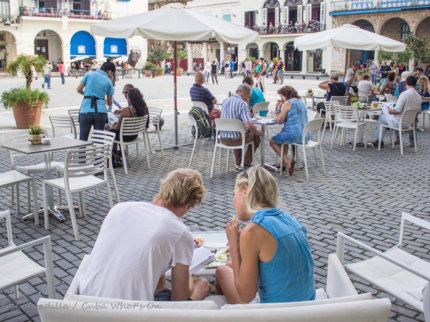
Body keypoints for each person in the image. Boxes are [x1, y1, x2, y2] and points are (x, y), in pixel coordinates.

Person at [79, 168, 211, 302]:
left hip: (84, 303)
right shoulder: (179, 231)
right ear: (187, 205)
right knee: (202, 284)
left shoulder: (119, 209)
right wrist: (189, 274)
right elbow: (180, 298)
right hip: (129, 312)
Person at [214, 167, 315, 304]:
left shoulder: (252, 231)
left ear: (245, 191)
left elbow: (246, 296)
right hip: (309, 309)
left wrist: (234, 245)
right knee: (229, 265)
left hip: (276, 314)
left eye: (234, 194)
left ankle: (229, 315)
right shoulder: (292, 220)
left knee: (222, 271)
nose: (233, 200)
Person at [220, 84, 263, 171]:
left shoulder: (225, 101)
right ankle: (246, 163)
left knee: (239, 133)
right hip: (237, 140)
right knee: (255, 136)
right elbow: (248, 125)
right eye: (249, 96)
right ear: (245, 93)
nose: (250, 98)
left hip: (223, 138)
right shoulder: (242, 104)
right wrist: (257, 131)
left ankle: (238, 164)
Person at [269, 86, 310, 175]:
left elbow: (279, 121)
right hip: (305, 135)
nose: (281, 98)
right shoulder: (301, 102)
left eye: (281, 96)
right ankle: (283, 163)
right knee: (283, 136)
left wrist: (279, 107)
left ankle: (287, 161)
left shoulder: (288, 103)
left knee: (272, 141)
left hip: (294, 135)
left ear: (285, 95)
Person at [372, 76, 421, 148]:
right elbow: (418, 111)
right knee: (382, 118)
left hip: (398, 122)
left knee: (384, 109)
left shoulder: (404, 94)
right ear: (415, 84)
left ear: (406, 83)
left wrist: (390, 111)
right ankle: (379, 140)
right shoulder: (418, 96)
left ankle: (379, 140)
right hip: (409, 124)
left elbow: (397, 110)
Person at [76, 61, 115, 141]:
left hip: (86, 110)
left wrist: (87, 95)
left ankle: (81, 152)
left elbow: (79, 89)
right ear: (109, 71)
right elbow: (110, 103)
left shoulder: (89, 74)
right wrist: (102, 99)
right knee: (98, 140)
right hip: (100, 112)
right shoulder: (109, 82)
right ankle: (98, 153)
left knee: (83, 140)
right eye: (113, 73)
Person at [108, 88, 149, 153]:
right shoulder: (142, 108)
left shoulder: (127, 110)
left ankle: (114, 154)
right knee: (114, 132)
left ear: (129, 98)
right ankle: (120, 153)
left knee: (111, 132)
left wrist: (113, 126)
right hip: (135, 135)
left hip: (125, 136)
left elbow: (118, 127)